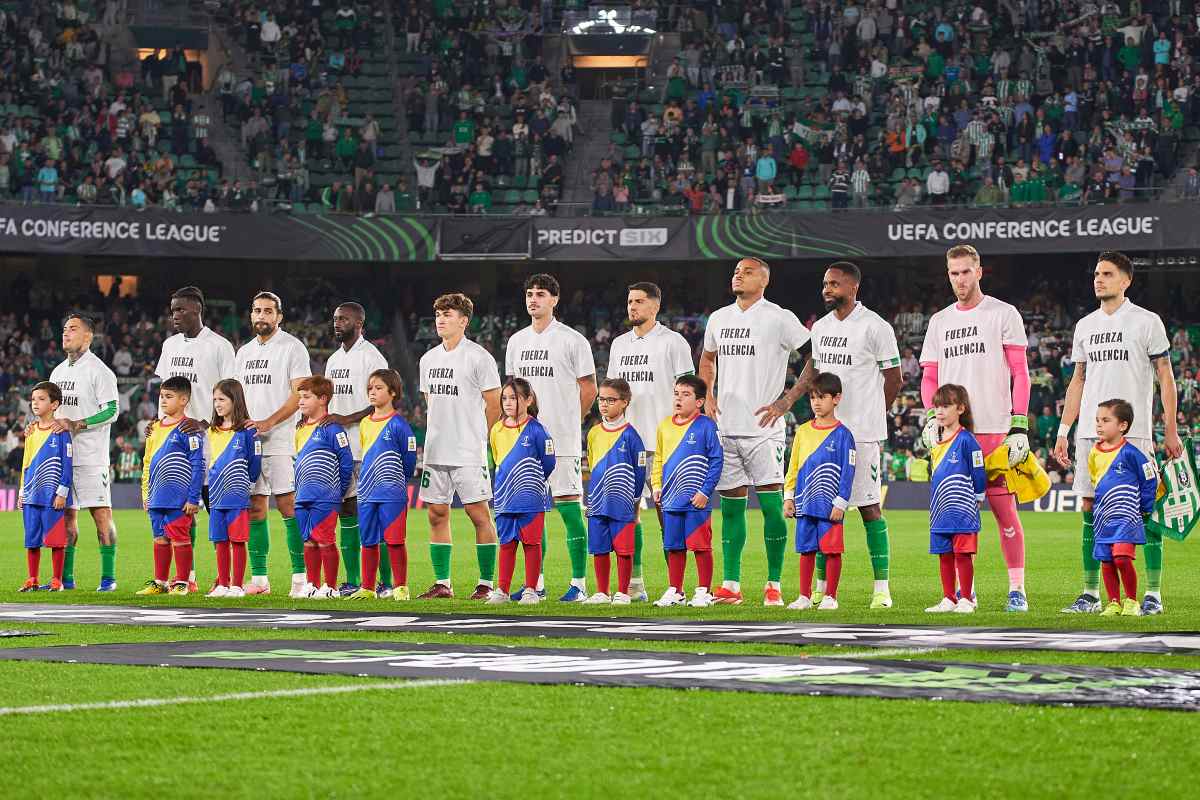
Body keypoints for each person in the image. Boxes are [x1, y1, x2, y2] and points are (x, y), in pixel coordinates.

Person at [1054, 251, 1180, 615]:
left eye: (1107, 274)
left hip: (1134, 432)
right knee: (1090, 507)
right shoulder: (1085, 325)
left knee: (1146, 509)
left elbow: (1165, 377)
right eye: (1097, 273)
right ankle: (1091, 594)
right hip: (1090, 434)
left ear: (1126, 280)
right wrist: (1064, 430)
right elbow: (1078, 380)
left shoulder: (1146, 321)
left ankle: (1152, 594)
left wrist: (1170, 428)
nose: (1099, 279)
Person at [776, 262, 902, 609]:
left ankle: (882, 589)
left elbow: (894, 379)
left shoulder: (875, 326)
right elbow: (813, 372)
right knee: (818, 509)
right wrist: (790, 399)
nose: (826, 290)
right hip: (822, 433)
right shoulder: (821, 327)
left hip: (861, 434)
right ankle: (820, 590)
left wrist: (874, 414)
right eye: (824, 284)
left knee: (869, 508)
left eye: (833, 284)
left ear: (853, 287)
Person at [919, 244, 1032, 612]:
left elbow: (1020, 372)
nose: (960, 279)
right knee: (953, 516)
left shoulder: (1003, 313)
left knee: (1005, 512)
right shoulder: (939, 321)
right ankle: (961, 593)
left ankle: (1017, 589)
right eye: (954, 273)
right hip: (952, 435)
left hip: (994, 429)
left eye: (966, 271)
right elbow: (930, 377)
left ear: (979, 272)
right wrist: (931, 416)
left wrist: (1019, 425)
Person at [699, 257, 811, 606]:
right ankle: (731, 585)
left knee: (772, 508)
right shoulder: (719, 318)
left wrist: (787, 400)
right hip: (727, 427)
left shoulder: (779, 317)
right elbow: (707, 358)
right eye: (736, 271)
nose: (738, 275)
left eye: (747, 272)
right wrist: (707, 395)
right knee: (731, 509)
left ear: (764, 280)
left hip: (764, 428)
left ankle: (773, 584)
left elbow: (815, 357)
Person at [505, 274, 598, 601]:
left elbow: (589, 389)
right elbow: (513, 392)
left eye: (541, 294)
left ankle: (579, 584)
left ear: (555, 300)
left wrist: (574, 420)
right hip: (524, 442)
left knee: (570, 509)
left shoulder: (573, 340)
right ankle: (536, 583)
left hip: (561, 440)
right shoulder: (516, 341)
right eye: (529, 294)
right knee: (531, 514)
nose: (533, 299)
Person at [605, 282, 694, 601]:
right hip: (627, 443)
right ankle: (635, 584)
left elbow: (689, 392)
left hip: (664, 444)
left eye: (639, 301)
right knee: (626, 515)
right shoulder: (619, 344)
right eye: (630, 301)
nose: (632, 307)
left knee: (668, 515)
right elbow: (612, 393)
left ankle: (676, 587)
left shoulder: (673, 342)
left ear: (655, 306)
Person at [417, 293, 502, 600]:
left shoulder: (479, 357)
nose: (441, 319)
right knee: (436, 514)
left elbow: (494, 404)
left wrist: (481, 438)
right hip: (436, 449)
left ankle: (486, 584)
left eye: (448, 314)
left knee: (478, 514)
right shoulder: (428, 359)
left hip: (468, 449)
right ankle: (443, 584)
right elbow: (430, 402)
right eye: (438, 314)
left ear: (464, 321)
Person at [155, 285, 236, 591]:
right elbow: (166, 391)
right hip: (176, 441)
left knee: (216, 510)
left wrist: (206, 422)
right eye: (172, 310)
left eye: (180, 309)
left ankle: (225, 577)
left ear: (197, 310)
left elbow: (231, 393)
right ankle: (187, 577)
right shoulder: (170, 345)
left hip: (210, 439)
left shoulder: (219, 346)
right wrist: (161, 423)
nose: (174, 315)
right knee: (182, 513)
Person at [234, 291, 311, 597]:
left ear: (279, 316)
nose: (261, 316)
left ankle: (301, 578)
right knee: (255, 508)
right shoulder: (244, 353)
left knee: (289, 506)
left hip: (281, 440)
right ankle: (260, 579)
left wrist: (269, 421)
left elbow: (299, 394)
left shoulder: (292, 347)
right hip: (250, 443)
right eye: (257, 310)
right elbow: (238, 397)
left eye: (268, 311)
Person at [48, 313, 120, 592]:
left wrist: (78, 423)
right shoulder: (57, 373)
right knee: (66, 518)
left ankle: (108, 579)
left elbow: (112, 410)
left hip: (91, 457)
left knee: (101, 517)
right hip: (63, 458)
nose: (66, 333)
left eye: (73, 329)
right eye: (64, 328)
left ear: (88, 336)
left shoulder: (99, 371)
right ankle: (65, 579)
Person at [321, 302, 389, 596]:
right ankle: (352, 580)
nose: (337, 323)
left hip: (366, 447)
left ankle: (386, 583)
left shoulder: (371, 357)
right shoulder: (333, 359)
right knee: (346, 512)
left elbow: (384, 399)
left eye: (344, 319)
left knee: (373, 514)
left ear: (359, 323)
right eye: (335, 319)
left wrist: (346, 418)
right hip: (340, 450)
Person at [782, 373, 856, 611]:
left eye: (822, 397)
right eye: (813, 397)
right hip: (805, 502)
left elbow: (848, 471)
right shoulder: (803, 431)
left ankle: (830, 597)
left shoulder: (844, 435)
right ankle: (804, 596)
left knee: (832, 551)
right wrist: (789, 497)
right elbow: (793, 466)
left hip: (830, 505)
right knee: (806, 550)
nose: (816, 402)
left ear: (836, 399)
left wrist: (841, 502)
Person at [652, 375, 723, 608]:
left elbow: (716, 461)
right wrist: (657, 486)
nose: (679, 399)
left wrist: (705, 492)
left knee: (700, 546)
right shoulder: (664, 425)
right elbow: (659, 458)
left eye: (685, 394)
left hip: (696, 500)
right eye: (676, 394)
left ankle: (704, 591)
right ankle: (676, 590)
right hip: (671, 498)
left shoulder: (707, 426)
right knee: (673, 546)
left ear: (699, 401)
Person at [348, 369, 417, 600]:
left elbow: (409, 461)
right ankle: (367, 588)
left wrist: (395, 482)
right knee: (368, 541)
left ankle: (400, 587)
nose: (372, 392)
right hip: (366, 492)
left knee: (395, 541)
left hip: (392, 493)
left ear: (393, 392)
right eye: (370, 388)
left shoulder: (399, 425)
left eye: (378, 388)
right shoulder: (365, 423)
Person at [487, 378, 556, 604]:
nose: (508, 403)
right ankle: (502, 591)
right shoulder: (496, 429)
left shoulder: (538, 430)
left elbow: (549, 463)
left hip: (531, 499)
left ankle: (531, 590)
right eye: (505, 398)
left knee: (531, 544)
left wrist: (531, 483)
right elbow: (497, 460)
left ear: (528, 400)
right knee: (506, 544)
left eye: (514, 398)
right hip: (504, 498)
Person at [1089, 399, 1158, 617]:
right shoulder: (1094, 452)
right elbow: (1095, 480)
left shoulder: (1131, 453)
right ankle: (1113, 603)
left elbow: (1149, 478)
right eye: (1097, 420)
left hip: (1127, 517)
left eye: (1105, 420)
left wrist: (1145, 506)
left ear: (1122, 425)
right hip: (1103, 518)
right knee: (1106, 560)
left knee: (1121, 557)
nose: (1099, 424)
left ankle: (1131, 601)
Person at [135, 377, 204, 596]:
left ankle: (182, 582)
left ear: (183, 400)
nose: (163, 400)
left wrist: (193, 498)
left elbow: (197, 464)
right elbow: (147, 461)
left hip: (179, 498)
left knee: (180, 538)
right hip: (156, 495)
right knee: (159, 538)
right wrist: (145, 493)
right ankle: (160, 582)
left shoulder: (189, 429)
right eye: (162, 396)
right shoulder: (154, 428)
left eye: (169, 396)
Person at [924, 384, 987, 614]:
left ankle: (966, 599)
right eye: (937, 406)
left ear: (960, 408)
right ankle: (949, 598)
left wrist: (978, 495)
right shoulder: (934, 440)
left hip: (963, 509)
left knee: (963, 554)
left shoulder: (967, 440)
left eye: (945, 406)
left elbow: (978, 470)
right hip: (940, 509)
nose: (939, 411)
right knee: (944, 555)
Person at [583, 378, 647, 605]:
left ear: (624, 402)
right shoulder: (593, 433)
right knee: (599, 548)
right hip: (598, 500)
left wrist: (634, 499)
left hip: (622, 502)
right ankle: (602, 591)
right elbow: (593, 464)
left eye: (611, 400)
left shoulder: (631, 435)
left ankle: (622, 592)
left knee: (623, 549)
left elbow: (640, 471)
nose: (604, 404)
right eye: (601, 399)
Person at [292, 376, 354, 598]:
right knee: (308, 540)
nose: (301, 401)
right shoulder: (300, 428)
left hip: (326, 496)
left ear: (323, 399)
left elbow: (346, 461)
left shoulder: (333, 429)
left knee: (325, 539)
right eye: (300, 397)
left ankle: (331, 586)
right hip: (302, 495)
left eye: (306, 397)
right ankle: (312, 584)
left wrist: (338, 490)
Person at [204, 379, 261, 598]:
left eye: (222, 399)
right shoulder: (212, 431)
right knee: (220, 541)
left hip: (237, 495)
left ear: (235, 400)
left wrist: (248, 485)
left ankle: (236, 586)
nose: (217, 404)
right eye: (215, 400)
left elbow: (254, 461)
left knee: (237, 540)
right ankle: (223, 584)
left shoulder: (248, 431)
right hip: (215, 495)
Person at [17, 382, 73, 592]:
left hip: (52, 496)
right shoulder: (31, 431)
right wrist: (22, 491)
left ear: (54, 404)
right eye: (33, 399)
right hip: (32, 494)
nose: (35, 403)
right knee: (31, 540)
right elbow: (25, 462)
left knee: (56, 540)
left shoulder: (61, 432)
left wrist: (62, 492)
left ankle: (57, 580)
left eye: (41, 399)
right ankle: (32, 578)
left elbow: (67, 464)